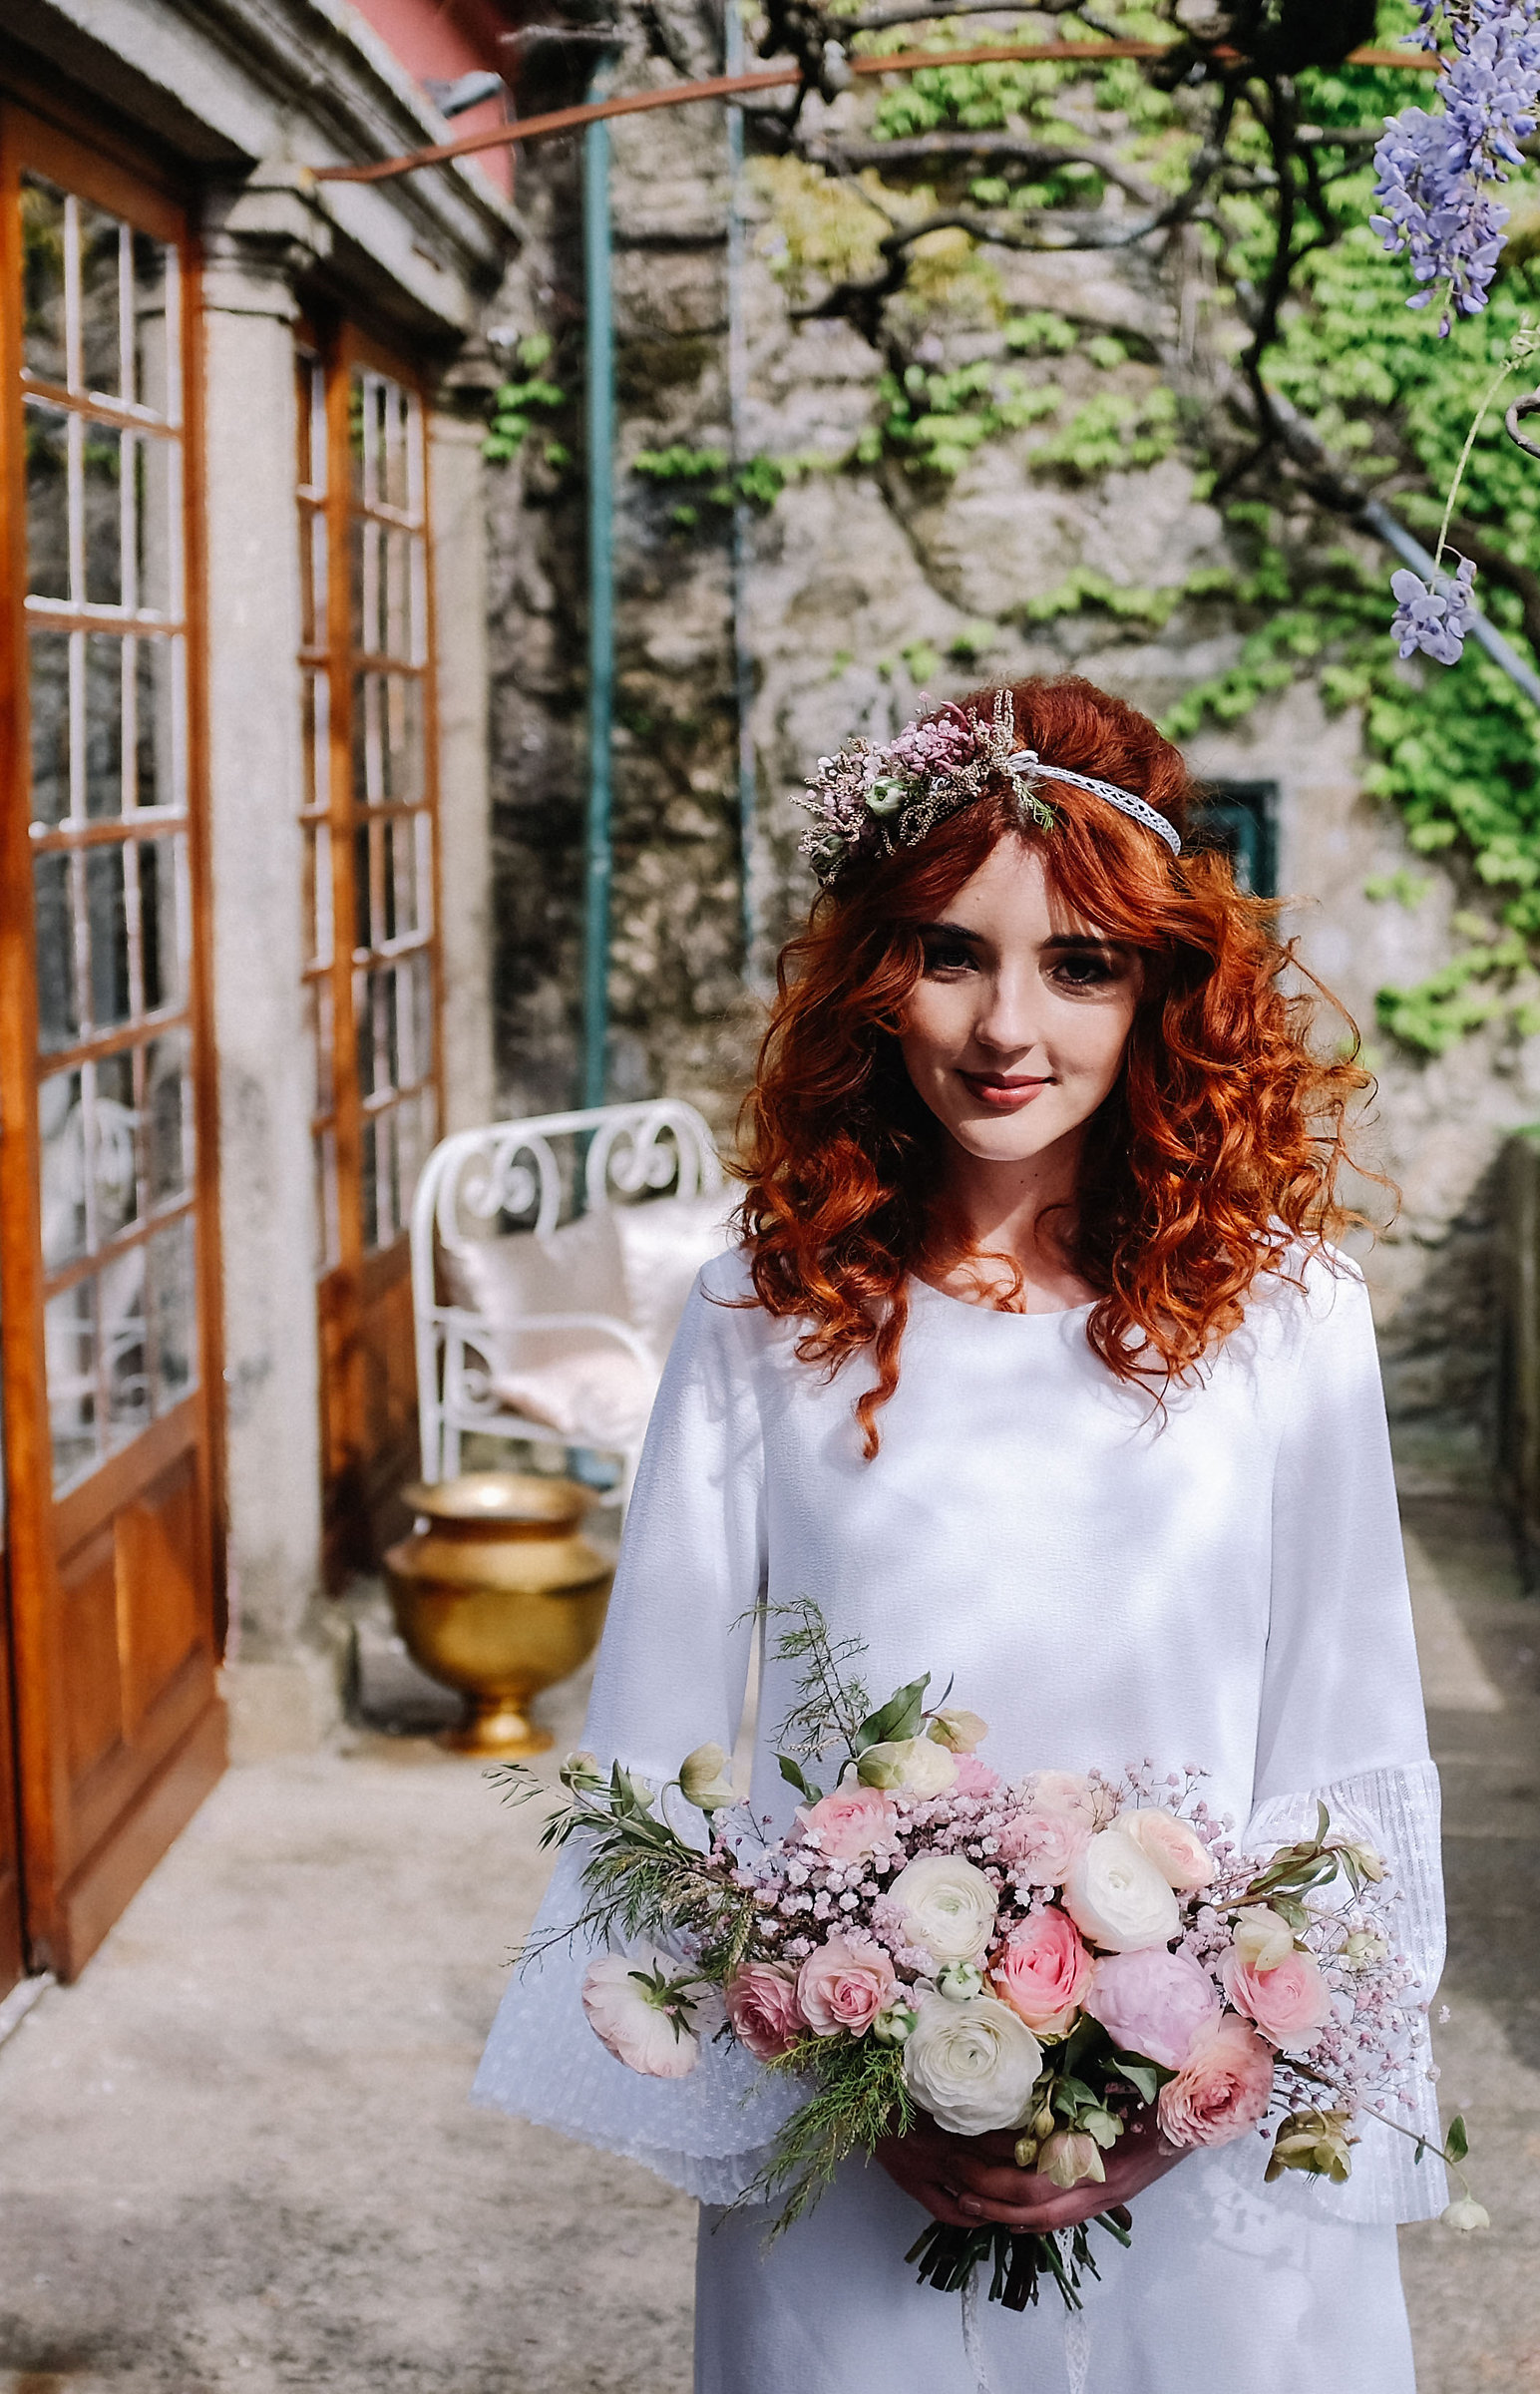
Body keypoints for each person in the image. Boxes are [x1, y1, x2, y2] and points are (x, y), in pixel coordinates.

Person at [470, 677, 1442, 2391]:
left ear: (1161, 991)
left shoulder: (1291, 1321)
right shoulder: (758, 1319)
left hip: (1203, 2170)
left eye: (1080, 965)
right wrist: (831, 2066)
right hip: (850, 2145)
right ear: (872, 974)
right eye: (950, 953)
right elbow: (659, 1753)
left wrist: (1197, 2086)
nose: (1010, 1026)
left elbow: (1345, 1751)